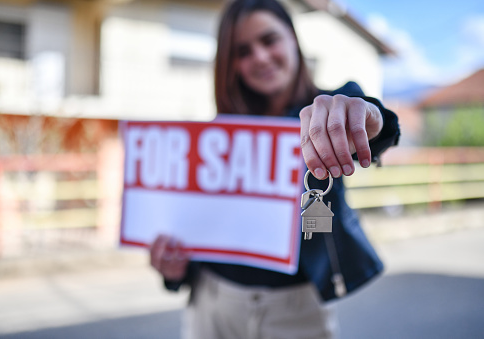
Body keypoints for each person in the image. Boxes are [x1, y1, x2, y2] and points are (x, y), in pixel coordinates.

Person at [150, 0, 400, 338]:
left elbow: (375, 123)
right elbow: (197, 228)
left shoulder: (328, 109)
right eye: (243, 51)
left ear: (294, 41)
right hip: (210, 302)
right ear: (229, 63)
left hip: (298, 310)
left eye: (269, 40)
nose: (261, 57)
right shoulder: (214, 138)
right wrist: (174, 270)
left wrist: (369, 119)